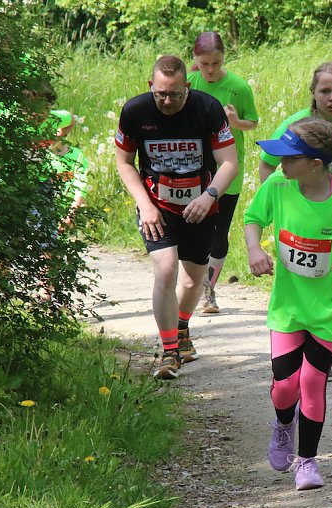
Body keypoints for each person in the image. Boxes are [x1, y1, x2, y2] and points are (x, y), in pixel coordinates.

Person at [245, 117, 332, 491]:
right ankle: (284, 426)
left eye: (289, 158)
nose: (280, 163)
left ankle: (307, 461)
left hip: (329, 307)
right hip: (288, 307)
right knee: (285, 387)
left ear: (316, 165)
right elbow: (253, 219)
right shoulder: (278, 186)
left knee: (312, 381)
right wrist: (253, 248)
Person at [115, 55, 239, 380]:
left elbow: (229, 162)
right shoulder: (134, 112)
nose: (167, 101)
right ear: (150, 87)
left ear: (188, 86)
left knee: (192, 279)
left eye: (175, 94)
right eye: (160, 94)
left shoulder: (208, 109)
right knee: (167, 268)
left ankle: (182, 327)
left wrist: (210, 195)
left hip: (201, 205)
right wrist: (144, 204)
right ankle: (169, 352)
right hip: (157, 206)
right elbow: (125, 163)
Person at [188, 31, 260, 314]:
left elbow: (252, 123)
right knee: (193, 232)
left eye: (216, 63)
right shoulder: (188, 82)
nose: (210, 70)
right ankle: (189, 286)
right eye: (204, 63)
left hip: (229, 169)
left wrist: (235, 121)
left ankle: (209, 291)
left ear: (223, 59)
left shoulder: (238, 87)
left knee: (219, 232)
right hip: (194, 169)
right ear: (195, 60)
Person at [258, 62, 332, 200]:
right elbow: (267, 163)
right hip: (301, 208)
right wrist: (275, 202)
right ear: (313, 92)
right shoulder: (294, 126)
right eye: (325, 91)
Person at [45, 110, 89, 232]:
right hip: (43, 211)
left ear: (62, 132)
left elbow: (81, 185)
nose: (49, 139)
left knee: (55, 248)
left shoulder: (76, 155)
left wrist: (71, 213)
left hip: (65, 212)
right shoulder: (40, 156)